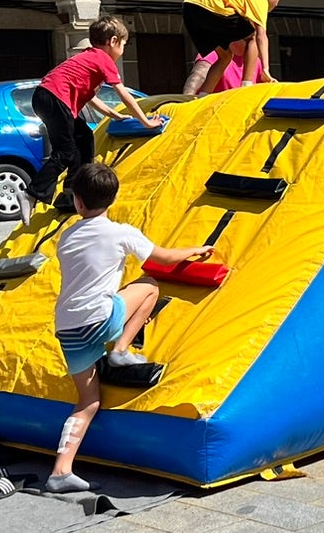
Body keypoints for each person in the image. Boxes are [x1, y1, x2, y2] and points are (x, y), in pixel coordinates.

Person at [46, 162, 213, 494]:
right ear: (113, 199)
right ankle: (121, 351)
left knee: (88, 401)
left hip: (67, 327)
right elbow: (162, 258)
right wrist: (195, 250)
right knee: (149, 285)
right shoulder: (121, 232)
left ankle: (60, 471)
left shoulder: (66, 237)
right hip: (100, 320)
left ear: (77, 202)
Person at [32, 18, 167, 210]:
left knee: (84, 138)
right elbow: (124, 94)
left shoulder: (88, 58)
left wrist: (114, 115)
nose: (122, 51)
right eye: (124, 45)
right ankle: (33, 192)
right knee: (65, 152)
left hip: (45, 97)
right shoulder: (104, 59)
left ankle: (73, 193)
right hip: (54, 98)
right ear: (113, 41)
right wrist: (146, 122)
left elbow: (89, 98)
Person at [179, 0, 285, 96]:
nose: (277, 3)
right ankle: (246, 86)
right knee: (253, 36)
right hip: (211, 6)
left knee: (225, 56)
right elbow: (261, 36)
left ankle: (203, 95)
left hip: (190, 8)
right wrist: (266, 69)